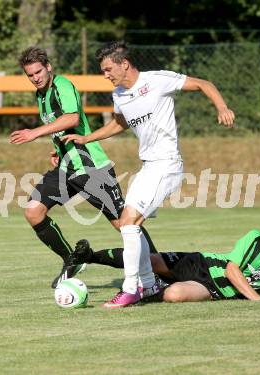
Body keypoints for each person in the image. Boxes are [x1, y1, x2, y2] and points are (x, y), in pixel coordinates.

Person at [61, 41, 235, 308]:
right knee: (127, 223)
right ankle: (148, 283)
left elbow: (203, 84)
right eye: (103, 71)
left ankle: (132, 289)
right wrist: (86, 138)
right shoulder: (119, 95)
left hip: (167, 165)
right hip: (148, 166)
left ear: (124, 64)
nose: (106, 75)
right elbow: (119, 123)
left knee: (129, 222)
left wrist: (222, 107)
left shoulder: (158, 80)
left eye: (108, 69)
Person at [10, 46, 156, 289]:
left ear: (48, 67)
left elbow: (72, 118)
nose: (35, 78)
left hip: (90, 168)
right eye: (30, 75)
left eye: (38, 72)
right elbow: (62, 128)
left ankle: (157, 267)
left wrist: (34, 133)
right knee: (33, 211)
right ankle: (71, 259)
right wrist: (57, 150)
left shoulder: (62, 86)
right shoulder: (41, 95)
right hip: (66, 168)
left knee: (125, 225)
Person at [71, 216, 260, 302]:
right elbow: (231, 269)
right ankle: (91, 256)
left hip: (213, 290)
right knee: (150, 258)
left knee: (175, 295)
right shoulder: (256, 238)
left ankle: (145, 290)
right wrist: (257, 298)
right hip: (203, 264)